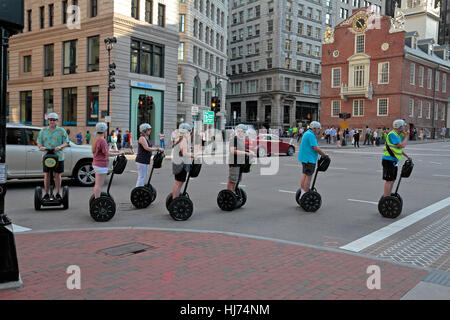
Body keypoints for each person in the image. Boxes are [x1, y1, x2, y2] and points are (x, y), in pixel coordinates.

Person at [36, 113, 69, 201]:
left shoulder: (61, 131)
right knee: (46, 175)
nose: (52, 121)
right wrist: (40, 147)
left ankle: (57, 193)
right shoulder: (43, 131)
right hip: (47, 156)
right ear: (48, 121)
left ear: (57, 121)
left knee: (57, 175)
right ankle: (46, 193)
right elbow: (38, 141)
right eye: (50, 120)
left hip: (58, 156)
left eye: (54, 120)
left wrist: (60, 147)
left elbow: (66, 142)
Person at [91, 122, 123, 199]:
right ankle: (97, 201)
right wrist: (117, 154)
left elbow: (106, 151)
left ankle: (96, 199)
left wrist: (118, 152)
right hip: (101, 165)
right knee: (99, 185)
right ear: (104, 130)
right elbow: (107, 154)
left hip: (97, 164)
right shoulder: (102, 140)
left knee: (97, 184)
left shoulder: (96, 139)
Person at [382, 120, 411, 197]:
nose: (404, 127)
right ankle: (386, 198)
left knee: (393, 180)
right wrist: (406, 136)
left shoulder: (397, 135)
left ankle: (388, 196)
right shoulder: (392, 134)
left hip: (394, 161)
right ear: (400, 127)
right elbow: (402, 145)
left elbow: (398, 149)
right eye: (403, 126)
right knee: (389, 180)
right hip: (388, 160)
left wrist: (407, 156)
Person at [298, 121, 328, 194]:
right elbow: (315, 148)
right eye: (318, 129)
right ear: (314, 128)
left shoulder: (306, 133)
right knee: (308, 177)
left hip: (304, 158)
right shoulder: (311, 135)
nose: (319, 130)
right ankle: (305, 193)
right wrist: (324, 155)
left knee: (305, 175)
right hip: (309, 159)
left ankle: (302, 192)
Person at [171, 123, 196, 200]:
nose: (190, 133)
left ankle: (175, 199)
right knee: (178, 183)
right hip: (181, 164)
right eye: (189, 131)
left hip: (177, 162)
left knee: (178, 182)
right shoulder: (183, 139)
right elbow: (184, 153)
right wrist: (193, 155)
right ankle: (175, 200)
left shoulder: (178, 137)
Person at [227, 124, 255, 193]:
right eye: (244, 132)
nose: (244, 133)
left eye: (245, 132)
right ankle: (229, 192)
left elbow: (244, 150)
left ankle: (233, 192)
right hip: (234, 163)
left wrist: (249, 151)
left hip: (240, 163)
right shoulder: (234, 139)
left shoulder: (242, 140)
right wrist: (245, 153)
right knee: (233, 180)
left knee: (238, 180)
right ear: (239, 131)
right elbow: (232, 151)